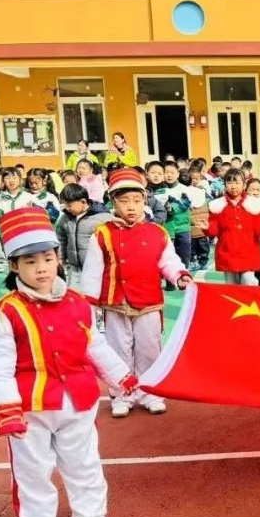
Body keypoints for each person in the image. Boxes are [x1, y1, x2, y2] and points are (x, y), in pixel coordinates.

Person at [0, 207, 141, 517]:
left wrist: (122, 378)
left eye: (48, 259)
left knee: (84, 462)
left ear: (58, 259)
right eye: (30, 261)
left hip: (77, 401)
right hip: (31, 406)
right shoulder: (5, 312)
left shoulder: (79, 303)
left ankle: (90, 513)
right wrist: (6, 410)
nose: (41, 268)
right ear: (14, 266)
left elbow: (95, 347)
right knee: (32, 469)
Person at [80, 168, 192, 418]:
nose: (131, 206)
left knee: (149, 349)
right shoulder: (103, 233)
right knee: (118, 350)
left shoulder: (157, 232)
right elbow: (93, 271)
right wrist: (89, 304)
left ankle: (150, 393)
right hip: (116, 302)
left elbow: (168, 260)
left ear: (145, 201)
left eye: (136, 200)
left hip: (148, 300)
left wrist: (179, 275)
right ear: (113, 201)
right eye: (124, 200)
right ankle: (122, 394)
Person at [205, 168, 260, 285]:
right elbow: (214, 229)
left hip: (249, 251)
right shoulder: (218, 205)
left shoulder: (252, 204)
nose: (233, 186)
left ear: (244, 185)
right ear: (225, 184)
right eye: (229, 182)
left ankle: (251, 296)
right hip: (228, 251)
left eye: (237, 182)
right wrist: (207, 227)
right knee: (231, 285)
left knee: (248, 280)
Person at [55, 184, 112, 288]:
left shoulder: (102, 218)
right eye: (65, 205)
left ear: (83, 201)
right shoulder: (65, 218)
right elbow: (61, 239)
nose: (67, 208)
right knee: (74, 294)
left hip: (96, 268)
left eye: (69, 205)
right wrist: (60, 257)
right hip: (74, 268)